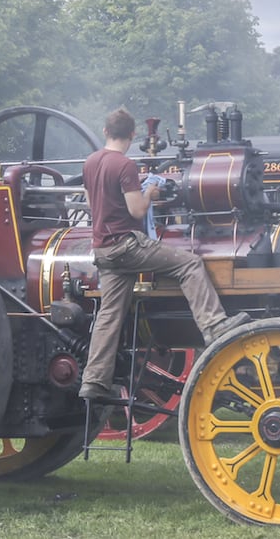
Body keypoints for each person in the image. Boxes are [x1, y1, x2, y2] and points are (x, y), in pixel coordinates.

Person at [79, 109, 251, 400]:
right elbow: (136, 211)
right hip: (127, 245)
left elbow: (89, 203)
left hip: (103, 250)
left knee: (109, 315)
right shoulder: (124, 165)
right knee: (190, 264)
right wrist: (151, 194)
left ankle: (93, 382)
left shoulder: (90, 163)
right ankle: (213, 325)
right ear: (132, 135)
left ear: (106, 132)